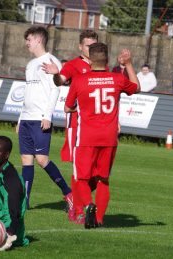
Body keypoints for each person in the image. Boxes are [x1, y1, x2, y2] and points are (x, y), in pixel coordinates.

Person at [64, 43, 140, 229]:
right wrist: (129, 64)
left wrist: (81, 108)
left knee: (81, 178)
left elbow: (68, 107)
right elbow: (136, 87)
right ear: (107, 60)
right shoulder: (116, 79)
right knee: (103, 179)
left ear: (89, 60)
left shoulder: (79, 81)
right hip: (109, 137)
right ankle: (99, 219)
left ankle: (88, 204)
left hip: (86, 137)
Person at [41, 30, 99, 223]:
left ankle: (74, 197)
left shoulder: (101, 65)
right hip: (78, 123)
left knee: (97, 173)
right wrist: (56, 74)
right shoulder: (73, 65)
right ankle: (79, 208)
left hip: (99, 124)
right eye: (87, 45)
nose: (91, 49)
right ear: (80, 47)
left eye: (94, 45)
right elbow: (61, 80)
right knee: (80, 169)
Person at [18, 26, 72, 212]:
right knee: (26, 158)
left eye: (29, 39)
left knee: (41, 159)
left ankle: (68, 193)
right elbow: (28, 93)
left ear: (39, 40)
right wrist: (20, 119)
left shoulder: (51, 61)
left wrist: (47, 116)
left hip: (40, 119)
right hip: (26, 118)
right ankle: (24, 201)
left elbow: (55, 89)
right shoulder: (30, 64)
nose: (27, 43)